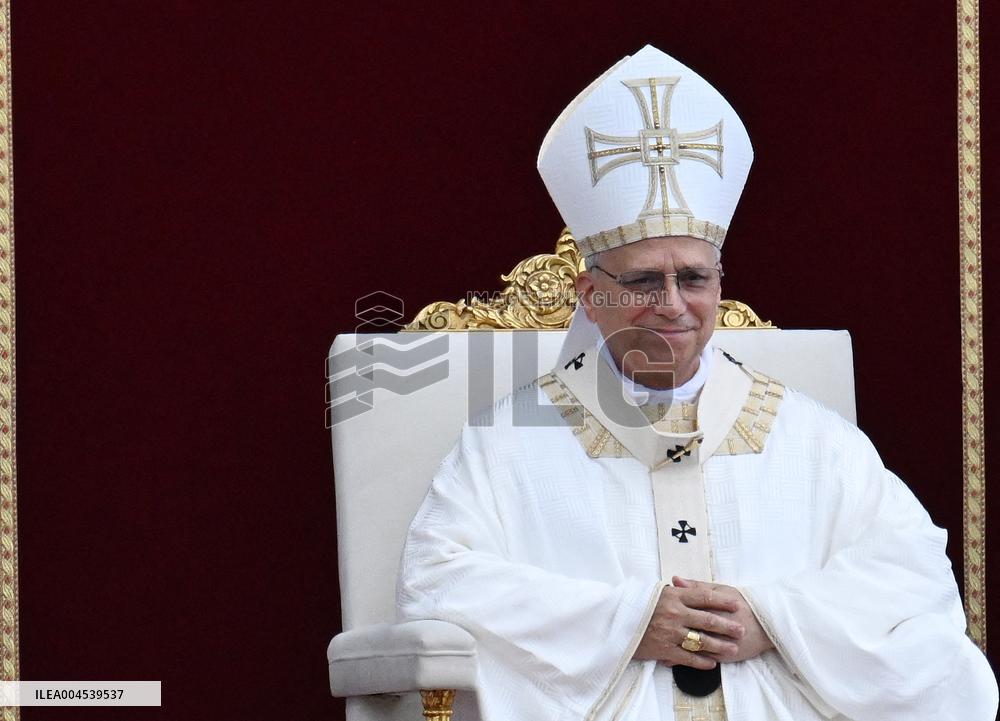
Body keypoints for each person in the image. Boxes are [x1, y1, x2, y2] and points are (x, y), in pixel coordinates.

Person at [396, 45, 998, 721]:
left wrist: (774, 618)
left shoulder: (812, 437)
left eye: (694, 277)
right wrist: (626, 624)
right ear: (589, 295)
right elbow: (436, 582)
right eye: (644, 280)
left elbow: (912, 571)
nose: (674, 304)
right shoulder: (505, 443)